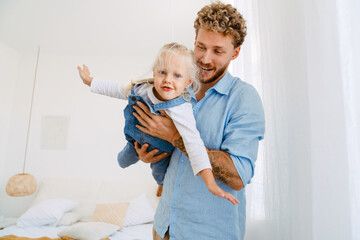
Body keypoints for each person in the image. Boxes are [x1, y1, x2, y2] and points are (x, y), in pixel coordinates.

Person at [132, 2, 265, 240]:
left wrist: (174, 135)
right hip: (163, 227)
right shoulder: (178, 88)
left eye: (217, 51)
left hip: (207, 234)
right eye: (201, 46)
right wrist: (149, 150)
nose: (204, 58)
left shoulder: (244, 98)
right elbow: (173, 156)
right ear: (194, 40)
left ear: (235, 53)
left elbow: (238, 176)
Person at [77, 42, 239, 205]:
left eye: (177, 76)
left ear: (188, 83)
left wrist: (210, 182)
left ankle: (161, 184)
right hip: (135, 141)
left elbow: (194, 144)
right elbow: (118, 89)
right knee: (122, 160)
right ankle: (125, 162)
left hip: (161, 151)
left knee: (159, 172)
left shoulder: (181, 108)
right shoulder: (143, 89)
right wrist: (90, 81)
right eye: (162, 72)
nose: (168, 80)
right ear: (154, 73)